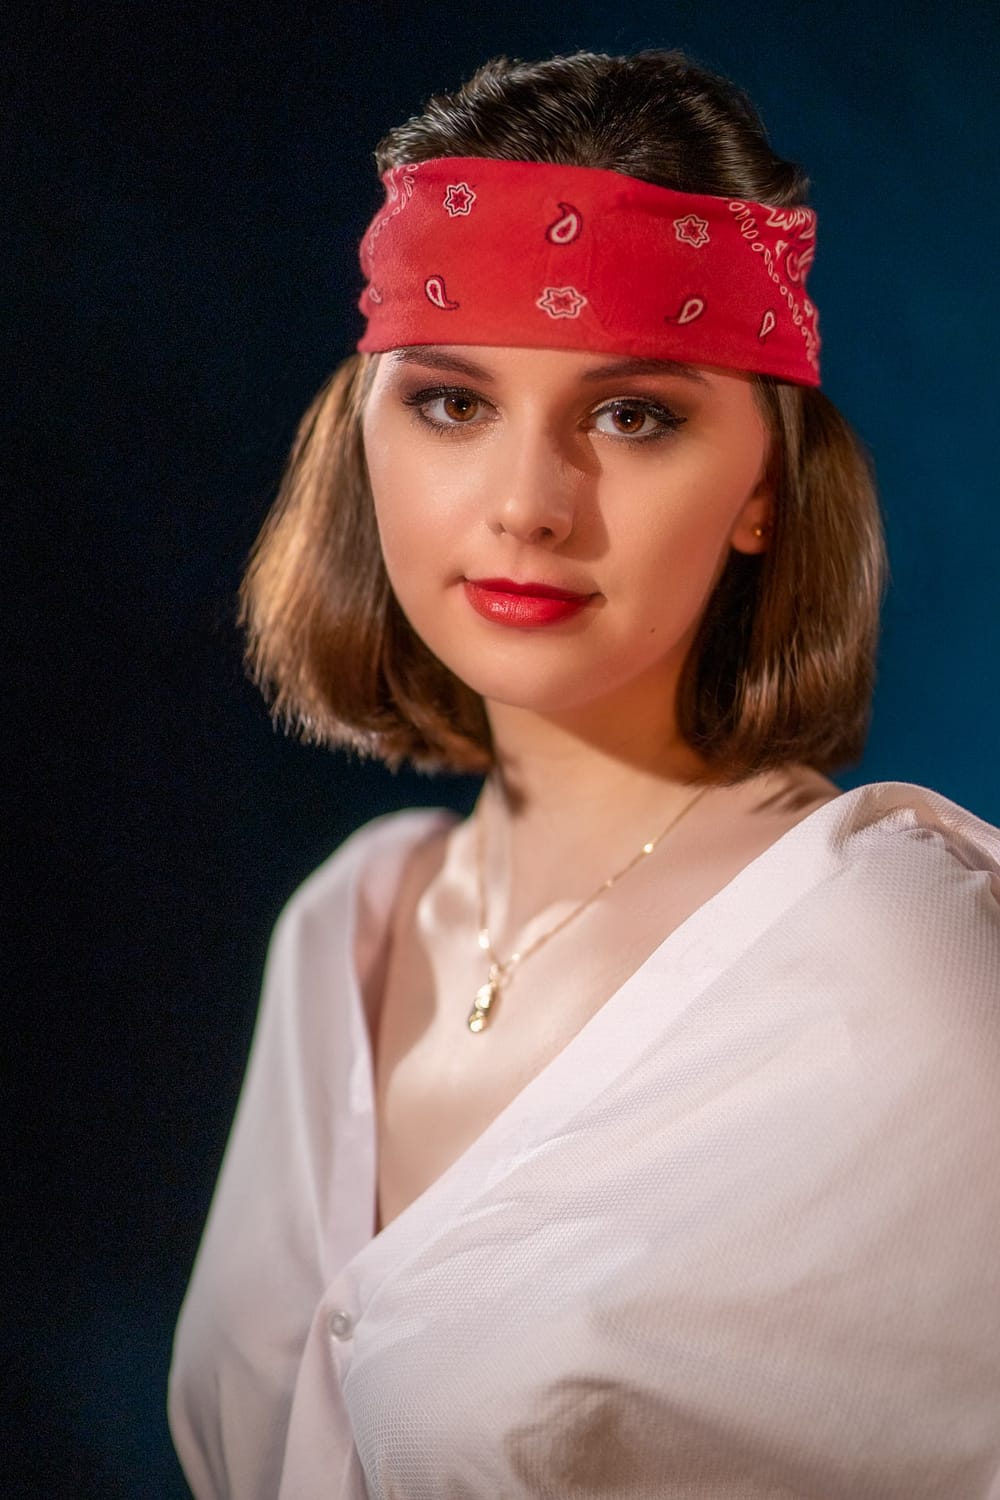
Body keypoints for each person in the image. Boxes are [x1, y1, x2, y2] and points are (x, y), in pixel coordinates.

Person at [168, 49, 1000, 1500]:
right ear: (362, 434)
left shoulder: (898, 961)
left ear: (763, 487)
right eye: (451, 401)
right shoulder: (345, 925)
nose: (528, 505)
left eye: (634, 415)